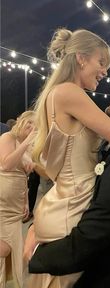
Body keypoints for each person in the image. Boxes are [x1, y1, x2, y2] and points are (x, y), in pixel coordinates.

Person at [24, 28, 110, 288]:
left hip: (66, 200)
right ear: (81, 58)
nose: (105, 71)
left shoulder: (64, 94)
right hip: (73, 206)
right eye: (101, 62)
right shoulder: (69, 93)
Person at [0, 111, 36, 288]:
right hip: (2, 201)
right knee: (4, 247)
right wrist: (27, 142)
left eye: (35, 126)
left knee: (14, 248)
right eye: (29, 123)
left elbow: (25, 177)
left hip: (16, 203)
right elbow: (6, 165)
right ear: (20, 122)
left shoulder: (28, 148)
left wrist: (26, 202)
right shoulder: (8, 137)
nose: (31, 128)